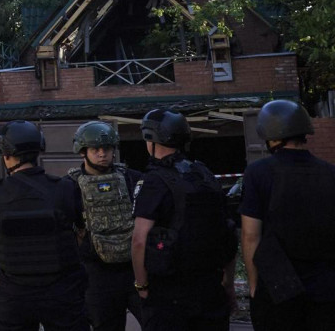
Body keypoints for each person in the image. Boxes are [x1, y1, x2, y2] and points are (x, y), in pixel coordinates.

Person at [131, 108, 237, 331]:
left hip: (169, 293)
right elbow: (227, 231)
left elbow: (139, 239)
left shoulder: (154, 180)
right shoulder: (203, 174)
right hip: (211, 286)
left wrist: (141, 285)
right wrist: (228, 282)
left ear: (151, 139)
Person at [0, 120, 88, 331]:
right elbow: (81, 231)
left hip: (14, 295)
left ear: (6, 153)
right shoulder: (65, 188)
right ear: (39, 149)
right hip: (61, 291)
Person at [239, 100, 335, 330]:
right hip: (326, 287)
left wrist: (254, 285)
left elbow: (250, 235)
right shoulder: (330, 172)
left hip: (277, 287)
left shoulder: (258, 172)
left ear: (271, 136)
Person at [67, 120, 143, 330]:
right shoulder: (70, 186)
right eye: (95, 149)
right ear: (83, 151)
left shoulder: (131, 178)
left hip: (134, 269)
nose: (102, 153)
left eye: (107, 148)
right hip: (96, 274)